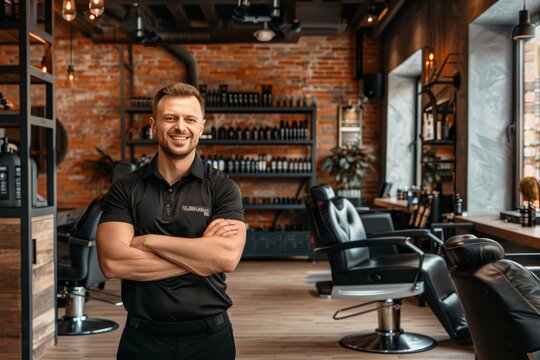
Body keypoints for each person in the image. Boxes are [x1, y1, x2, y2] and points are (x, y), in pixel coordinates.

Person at [96, 82, 246, 360]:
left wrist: (149, 241)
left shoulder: (223, 188)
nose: (180, 126)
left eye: (190, 119)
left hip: (210, 338)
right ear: (154, 125)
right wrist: (200, 255)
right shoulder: (126, 187)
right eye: (170, 118)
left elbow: (225, 258)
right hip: (142, 338)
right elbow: (113, 262)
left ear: (201, 126)